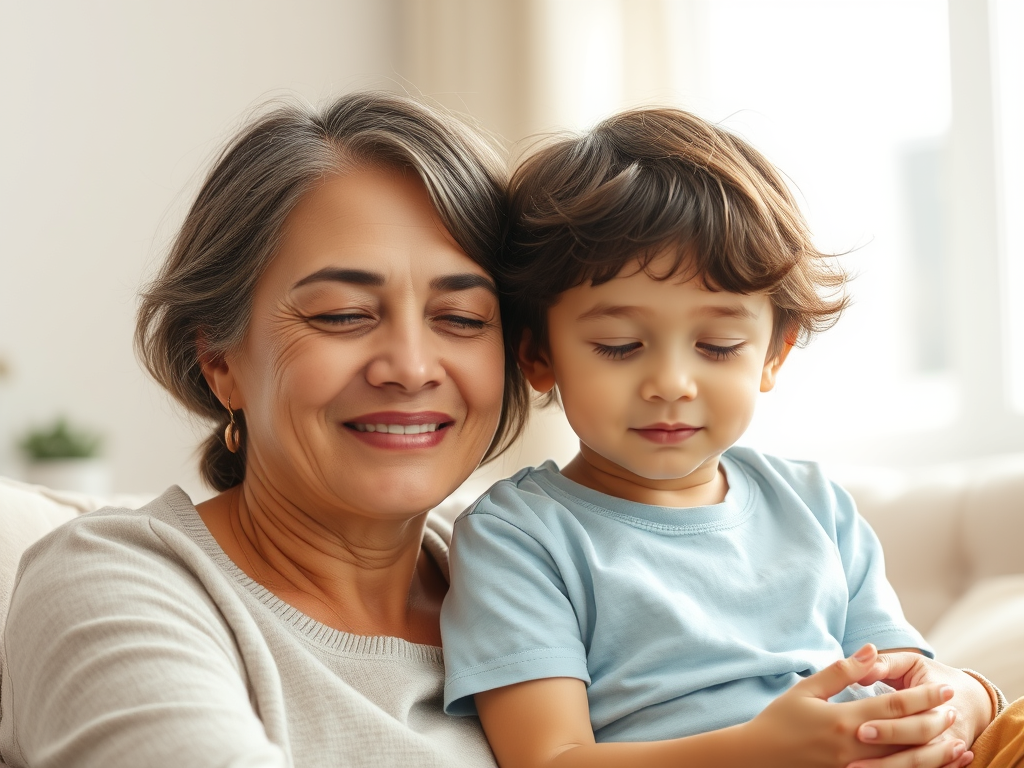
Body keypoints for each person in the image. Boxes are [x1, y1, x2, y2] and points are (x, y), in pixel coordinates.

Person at [440, 107, 1021, 768]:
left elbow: (906, 677)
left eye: (717, 347)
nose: (671, 383)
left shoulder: (814, 503)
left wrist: (960, 704)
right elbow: (550, 759)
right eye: (619, 346)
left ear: (773, 354)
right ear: (538, 354)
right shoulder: (519, 536)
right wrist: (758, 752)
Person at [0, 92, 531, 767]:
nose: (411, 367)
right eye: (341, 314)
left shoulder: (533, 561)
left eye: (461, 318)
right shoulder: (113, 588)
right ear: (219, 359)